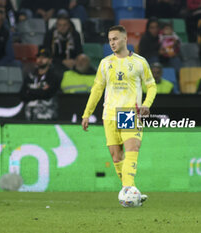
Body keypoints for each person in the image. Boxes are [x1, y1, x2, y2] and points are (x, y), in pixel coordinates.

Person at [81, 25, 157, 205]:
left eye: (115, 39)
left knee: (132, 150)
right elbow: (97, 89)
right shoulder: (105, 63)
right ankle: (133, 192)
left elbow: (151, 86)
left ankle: (127, 192)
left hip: (129, 112)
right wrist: (86, 114)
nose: (112, 43)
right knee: (116, 157)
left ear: (125, 39)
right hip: (109, 114)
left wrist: (146, 104)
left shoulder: (139, 62)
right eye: (109, 40)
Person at [20, 48, 60, 120]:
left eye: (44, 57)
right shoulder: (30, 76)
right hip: (29, 117)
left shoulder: (54, 77)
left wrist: (31, 91)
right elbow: (22, 94)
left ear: (50, 60)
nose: (40, 59)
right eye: (39, 57)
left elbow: (48, 94)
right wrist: (40, 91)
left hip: (48, 117)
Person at [43, 14, 83, 79]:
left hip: (72, 63)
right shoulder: (50, 35)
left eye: (65, 25)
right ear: (56, 25)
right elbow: (47, 54)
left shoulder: (75, 35)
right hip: (55, 63)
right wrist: (62, 62)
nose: (62, 27)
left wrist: (74, 61)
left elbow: (79, 51)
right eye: (59, 25)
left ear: (69, 25)